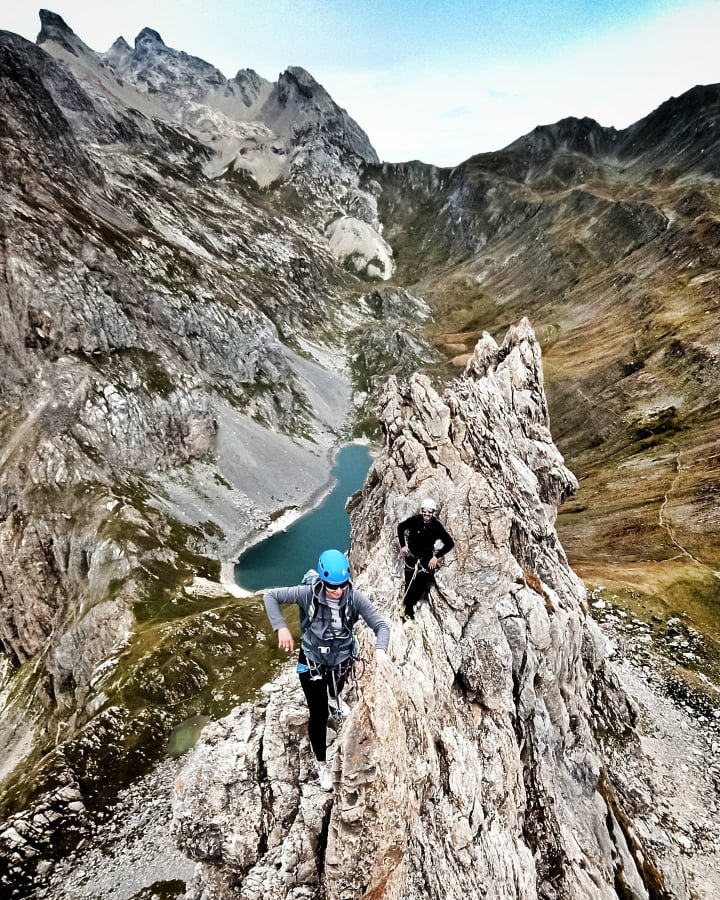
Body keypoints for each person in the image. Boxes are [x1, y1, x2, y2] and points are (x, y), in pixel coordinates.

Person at [263, 548, 392, 792]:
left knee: (335, 690)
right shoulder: (307, 594)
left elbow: (381, 625)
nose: (339, 590)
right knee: (318, 713)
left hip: (341, 660)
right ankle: (321, 764)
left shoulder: (354, 598)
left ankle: (334, 698)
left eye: (343, 584)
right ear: (322, 581)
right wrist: (280, 627)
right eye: (333, 586)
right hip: (311, 661)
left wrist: (380, 650)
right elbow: (271, 596)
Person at [397, 497, 454, 619]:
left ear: (433, 512)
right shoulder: (414, 521)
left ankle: (412, 604)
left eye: (429, 512)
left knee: (420, 585)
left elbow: (450, 543)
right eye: (425, 511)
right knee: (409, 583)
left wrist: (436, 557)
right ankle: (407, 609)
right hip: (411, 558)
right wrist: (403, 545)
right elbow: (400, 527)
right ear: (421, 510)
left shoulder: (436, 526)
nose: (427, 514)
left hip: (426, 559)